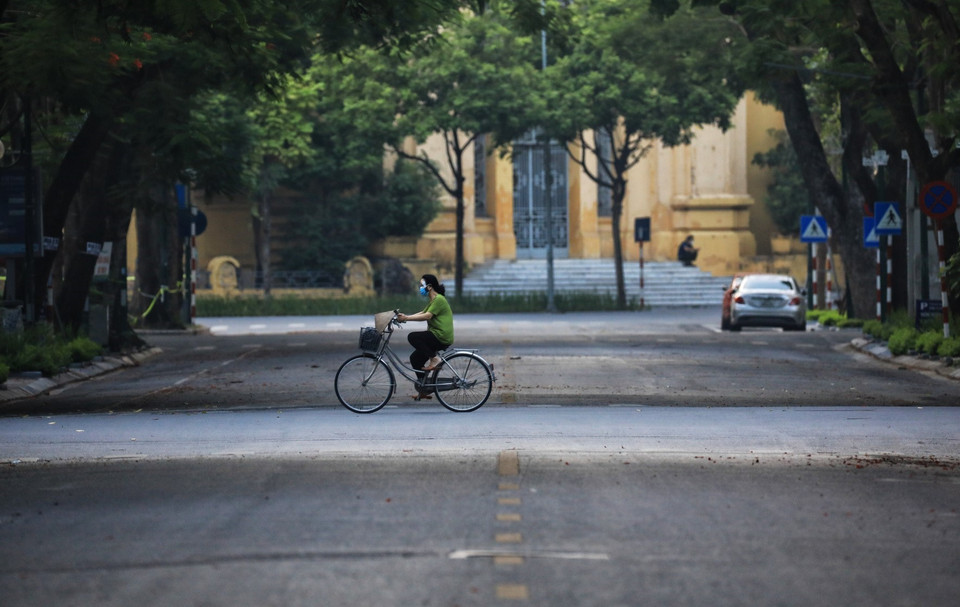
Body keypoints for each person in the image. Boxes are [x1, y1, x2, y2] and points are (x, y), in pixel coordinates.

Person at [397, 274, 454, 400]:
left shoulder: (439, 299)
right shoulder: (433, 300)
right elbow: (422, 313)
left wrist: (406, 318)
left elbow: (427, 316)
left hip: (441, 336)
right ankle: (424, 389)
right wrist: (405, 317)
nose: (420, 288)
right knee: (415, 359)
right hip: (436, 334)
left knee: (413, 337)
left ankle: (434, 359)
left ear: (429, 287)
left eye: (421, 285)